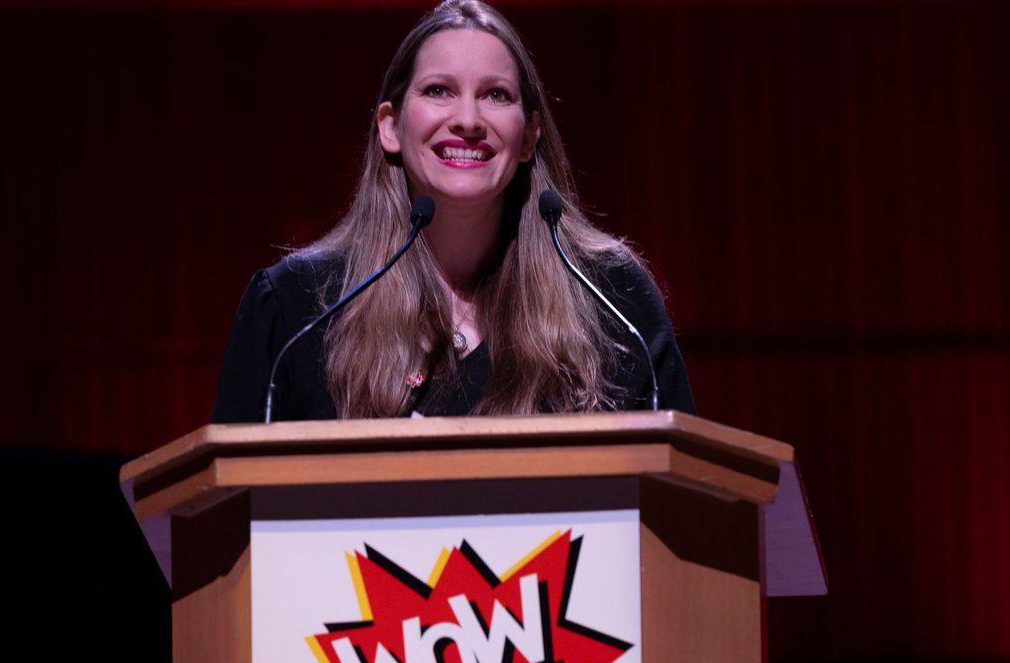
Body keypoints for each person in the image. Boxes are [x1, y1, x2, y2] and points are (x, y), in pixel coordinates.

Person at [211, 0, 694, 422]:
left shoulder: (611, 300)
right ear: (391, 127)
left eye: (496, 95)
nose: (467, 120)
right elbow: (228, 512)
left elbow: (684, 501)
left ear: (528, 137)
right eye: (439, 90)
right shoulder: (299, 309)